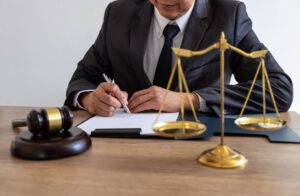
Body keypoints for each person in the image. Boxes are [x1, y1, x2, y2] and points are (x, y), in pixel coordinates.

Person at [64, 0, 293, 116]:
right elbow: (83, 77)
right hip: (126, 150)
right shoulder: (118, 13)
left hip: (198, 151)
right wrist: (88, 99)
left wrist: (189, 100)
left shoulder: (228, 16)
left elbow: (280, 90)